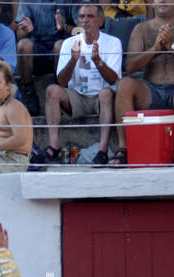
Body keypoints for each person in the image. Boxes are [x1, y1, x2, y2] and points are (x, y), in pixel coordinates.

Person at [112, 0, 174, 164]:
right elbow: (130, 66)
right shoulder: (141, 29)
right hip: (150, 91)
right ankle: (123, 148)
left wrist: (171, 46)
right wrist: (154, 48)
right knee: (124, 84)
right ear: (151, 3)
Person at [42, 4, 119, 164]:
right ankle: (54, 146)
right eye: (82, 16)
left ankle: (102, 150)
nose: (85, 20)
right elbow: (61, 82)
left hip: (101, 97)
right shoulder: (69, 43)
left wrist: (98, 61)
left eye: (90, 16)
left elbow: (113, 80)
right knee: (51, 91)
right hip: (77, 97)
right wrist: (73, 60)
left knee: (106, 93)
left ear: (101, 20)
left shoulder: (113, 42)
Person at [13, 2, 71, 114]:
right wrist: (25, 30)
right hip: (37, 52)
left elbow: (80, 30)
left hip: (61, 54)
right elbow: (19, 36)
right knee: (23, 45)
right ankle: (29, 93)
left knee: (60, 45)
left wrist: (65, 27)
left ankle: (60, 92)